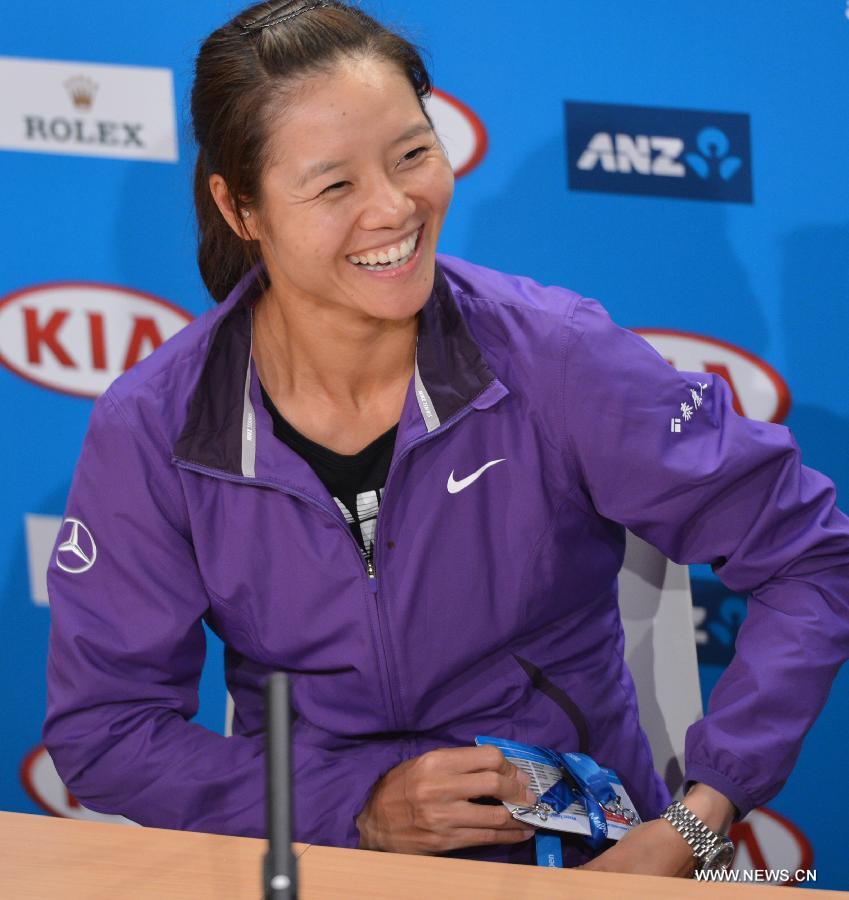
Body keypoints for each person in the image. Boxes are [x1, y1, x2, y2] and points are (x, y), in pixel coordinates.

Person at [43, 0, 849, 876]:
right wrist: (355, 805)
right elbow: (107, 728)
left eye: (413, 155)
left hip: (576, 858)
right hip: (319, 854)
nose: (394, 208)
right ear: (241, 209)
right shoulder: (158, 424)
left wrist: (694, 822)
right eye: (334, 185)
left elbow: (808, 556)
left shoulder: (554, 357)